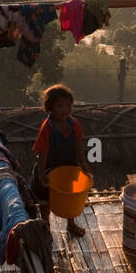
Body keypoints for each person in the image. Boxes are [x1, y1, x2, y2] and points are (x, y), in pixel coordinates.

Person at [33, 84, 92, 237]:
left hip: (69, 166)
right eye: (60, 106)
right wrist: (41, 173)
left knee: (70, 195)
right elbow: (42, 153)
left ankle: (71, 224)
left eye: (67, 105)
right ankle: (46, 227)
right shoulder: (47, 128)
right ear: (50, 107)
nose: (65, 109)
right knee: (45, 200)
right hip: (48, 167)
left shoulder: (74, 124)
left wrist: (83, 163)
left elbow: (78, 144)